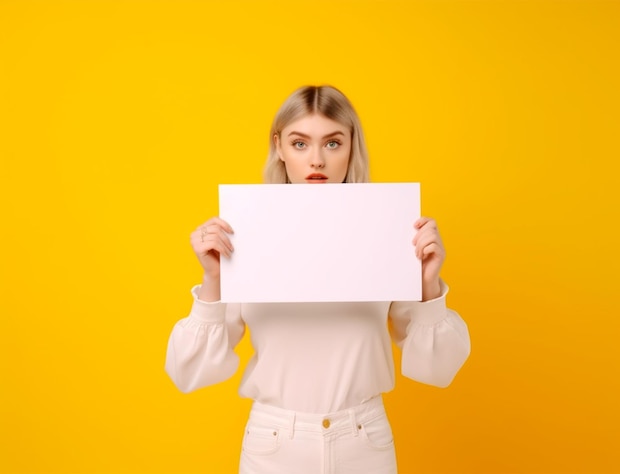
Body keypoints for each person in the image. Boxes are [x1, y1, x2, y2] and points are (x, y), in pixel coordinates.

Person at [165, 85, 471, 474]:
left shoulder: (386, 228)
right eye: (299, 143)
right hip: (273, 447)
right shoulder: (246, 230)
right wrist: (212, 280)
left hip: (364, 443)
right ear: (279, 147)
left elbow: (439, 369)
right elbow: (188, 372)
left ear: (351, 146)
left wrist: (429, 285)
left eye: (332, 143)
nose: (316, 160)